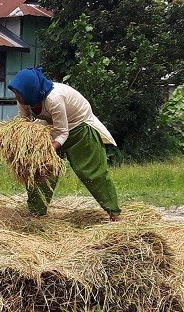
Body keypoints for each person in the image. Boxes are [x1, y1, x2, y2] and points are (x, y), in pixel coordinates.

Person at [8, 66, 121, 220]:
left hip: (78, 127)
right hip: (50, 127)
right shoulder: (25, 97)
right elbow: (25, 123)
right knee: (39, 168)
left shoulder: (54, 98)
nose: (18, 97)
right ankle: (36, 211)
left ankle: (114, 212)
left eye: (19, 94)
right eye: (16, 93)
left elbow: (63, 132)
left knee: (91, 172)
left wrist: (48, 149)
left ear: (31, 90)